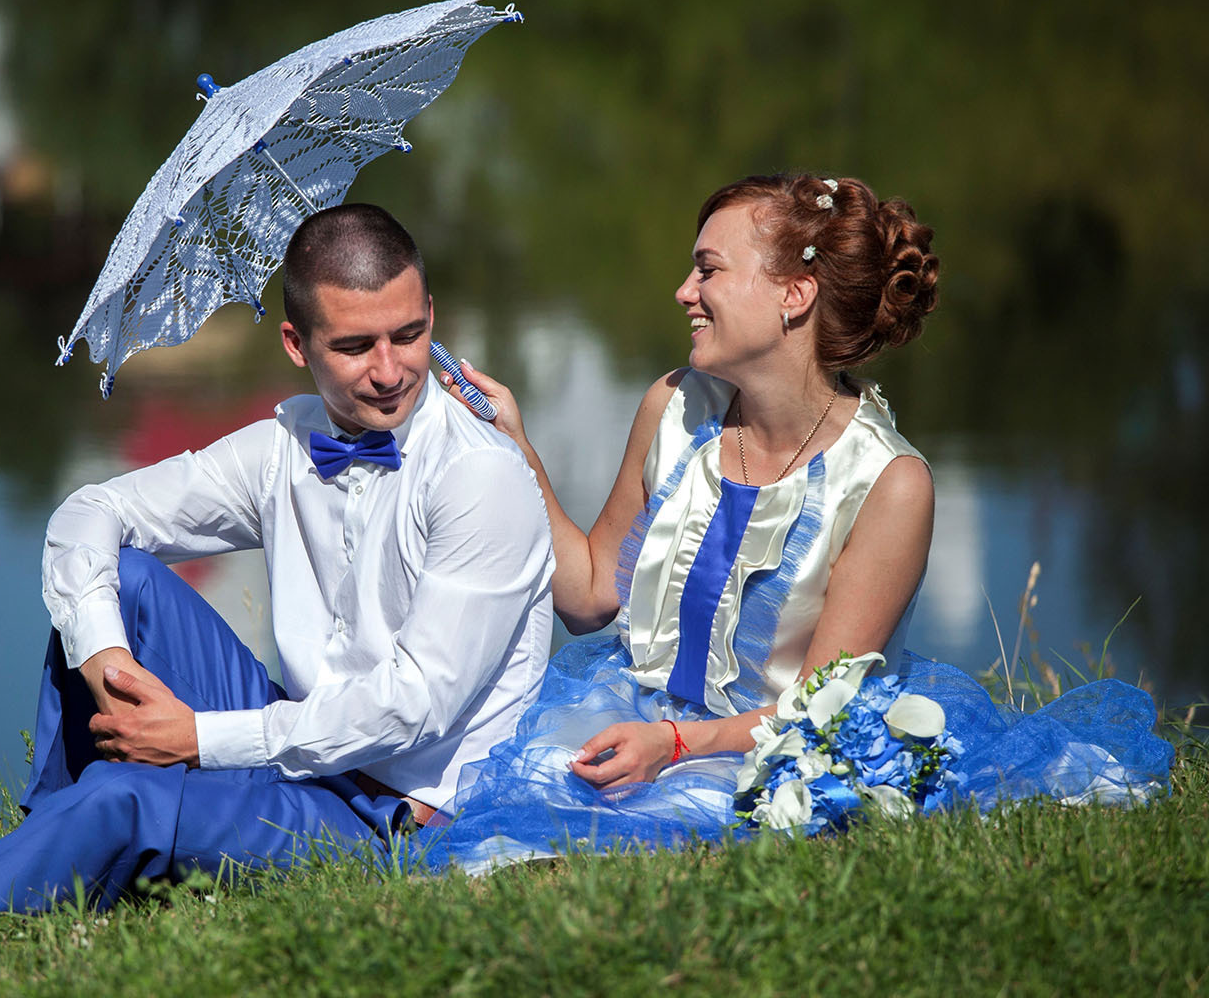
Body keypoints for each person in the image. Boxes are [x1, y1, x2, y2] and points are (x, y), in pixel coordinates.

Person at [421, 173, 1173, 870]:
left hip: (770, 749)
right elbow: (587, 598)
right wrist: (513, 443)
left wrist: (675, 746)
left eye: (708, 269)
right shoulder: (673, 407)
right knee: (507, 794)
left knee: (659, 828)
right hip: (635, 713)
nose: (684, 291)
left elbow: (818, 712)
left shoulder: (889, 482)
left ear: (795, 294)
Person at [0, 204, 555, 941]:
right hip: (304, 752)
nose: (390, 371)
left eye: (409, 335)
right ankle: (56, 851)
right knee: (121, 585)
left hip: (398, 818)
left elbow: (411, 707)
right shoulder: (285, 443)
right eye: (356, 346)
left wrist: (196, 738)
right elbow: (87, 512)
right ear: (296, 343)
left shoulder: (480, 478)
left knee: (126, 797)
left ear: (431, 314)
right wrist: (107, 664)